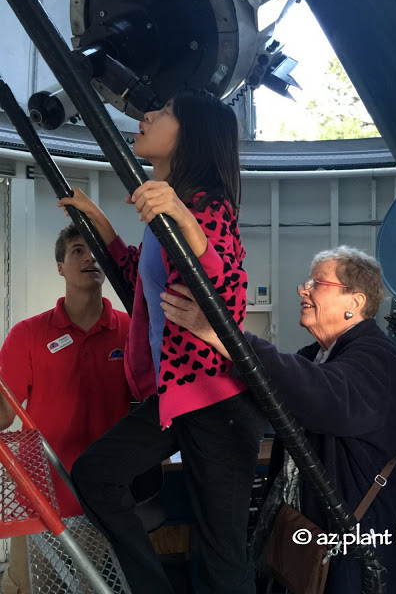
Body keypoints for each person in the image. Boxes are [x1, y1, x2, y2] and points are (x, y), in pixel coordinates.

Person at [61, 89, 263, 594]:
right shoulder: (164, 216)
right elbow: (139, 286)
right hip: (173, 396)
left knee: (220, 556)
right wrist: (101, 224)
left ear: (190, 135)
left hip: (219, 402)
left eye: (166, 111)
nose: (147, 115)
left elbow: (227, 296)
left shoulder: (204, 207)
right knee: (96, 475)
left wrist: (189, 224)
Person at [159, 245, 396, 594]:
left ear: (354, 302)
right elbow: (274, 388)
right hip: (334, 540)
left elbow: (321, 396)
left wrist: (224, 334)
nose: (303, 289)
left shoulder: (380, 358)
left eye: (317, 282)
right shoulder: (316, 355)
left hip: (383, 547)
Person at [0, 224, 132, 594]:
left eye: (94, 251)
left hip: (103, 500)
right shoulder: (27, 334)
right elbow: (4, 413)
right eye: (77, 250)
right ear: (60, 266)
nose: (89, 257)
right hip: (43, 499)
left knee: (96, 589)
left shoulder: (129, 330)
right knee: (29, 587)